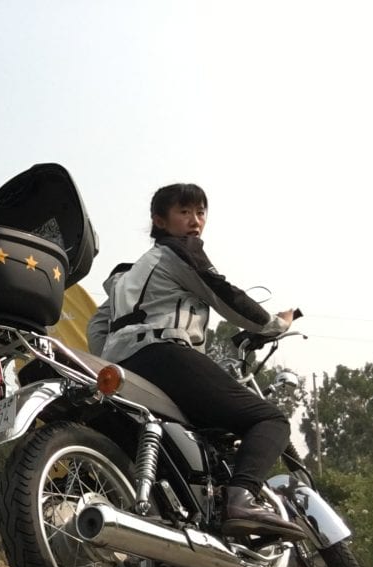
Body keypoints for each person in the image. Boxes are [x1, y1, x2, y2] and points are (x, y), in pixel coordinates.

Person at [86, 183, 305, 540]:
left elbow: (97, 327)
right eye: (184, 212)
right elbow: (223, 293)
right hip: (164, 354)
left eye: (200, 212)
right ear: (160, 220)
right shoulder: (178, 252)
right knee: (270, 419)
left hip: (126, 365)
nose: (195, 222)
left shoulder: (127, 277)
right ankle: (241, 500)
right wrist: (274, 324)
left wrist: (111, 360)